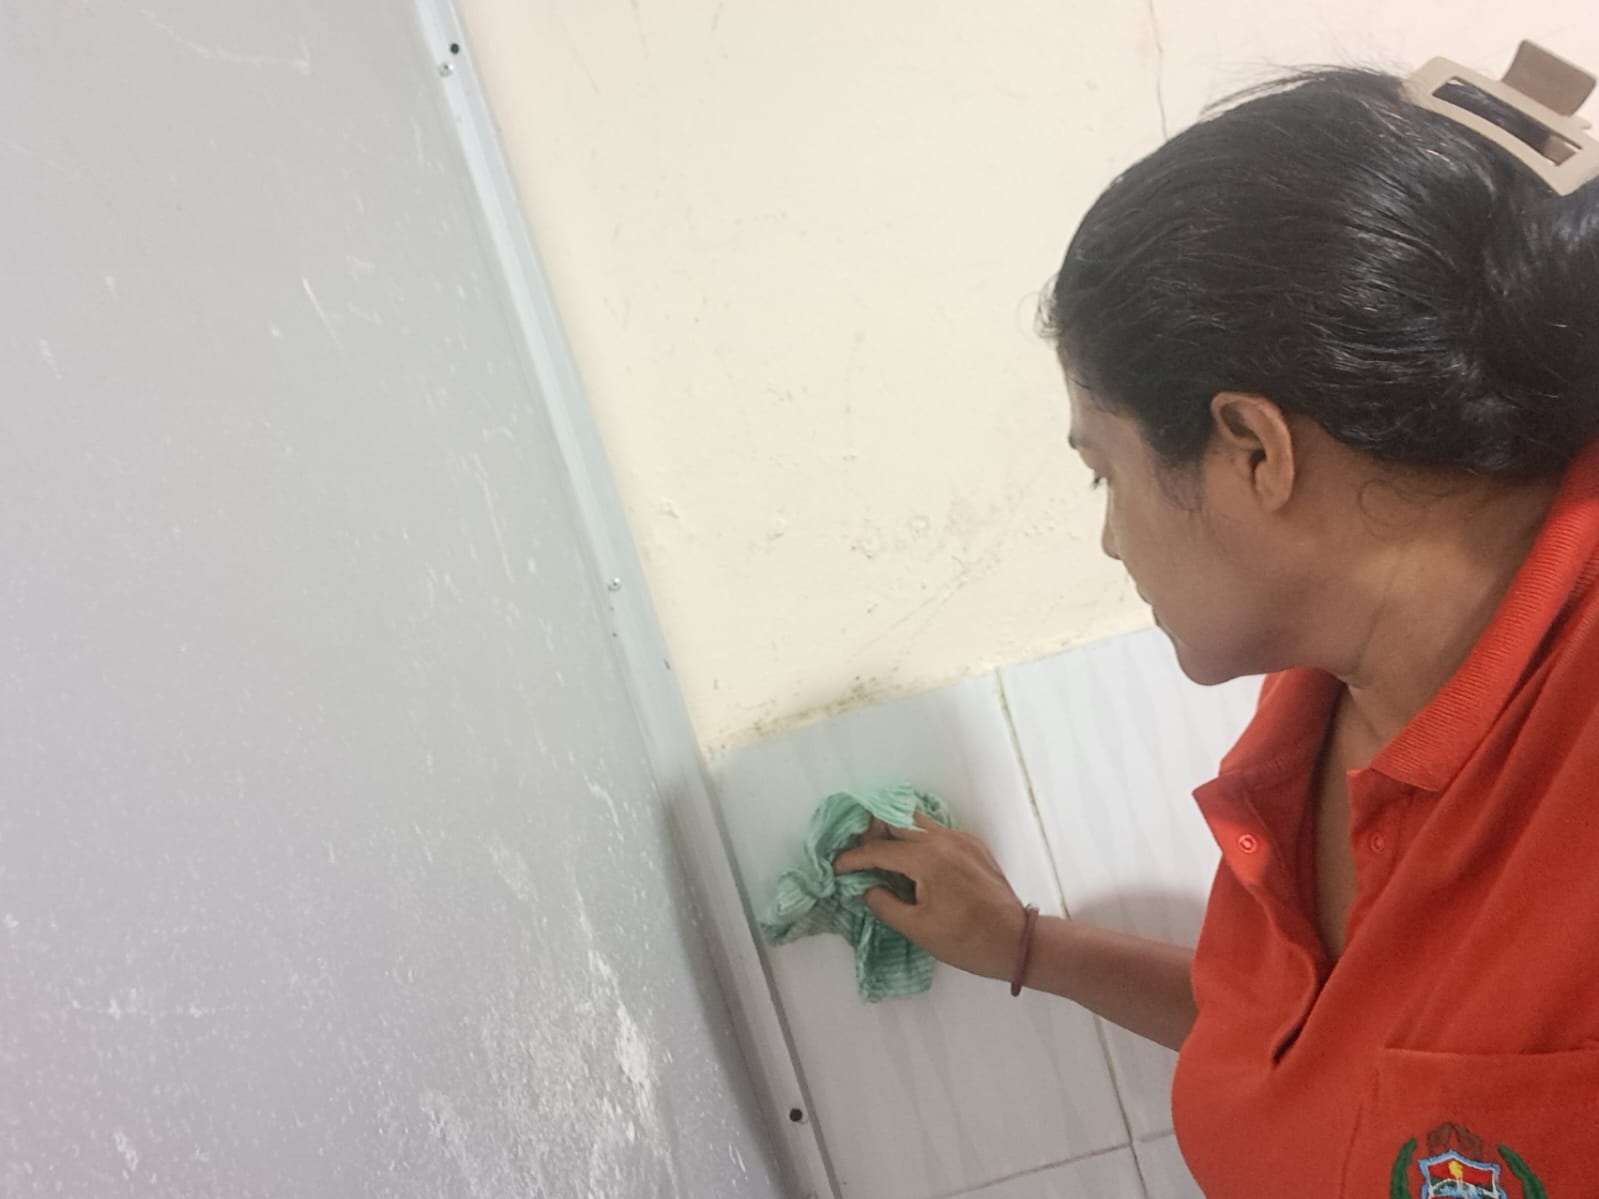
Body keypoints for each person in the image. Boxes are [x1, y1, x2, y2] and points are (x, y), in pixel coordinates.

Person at [834, 48, 1599, 1197]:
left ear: (1252, 450)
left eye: (1105, 473)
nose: (1111, 538)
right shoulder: (1329, 689)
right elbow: (1320, 1051)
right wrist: (1027, 944)